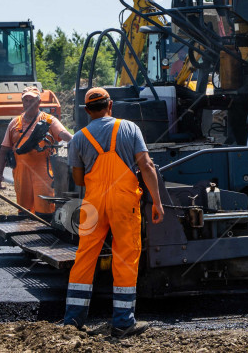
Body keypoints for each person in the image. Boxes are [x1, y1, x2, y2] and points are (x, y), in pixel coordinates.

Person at [63, 87, 164, 337]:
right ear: (111, 106)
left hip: (93, 204)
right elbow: (147, 165)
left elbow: (78, 178)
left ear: (87, 111)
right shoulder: (129, 129)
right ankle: (122, 322)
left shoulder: (78, 138)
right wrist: (157, 202)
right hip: (124, 203)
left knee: (85, 256)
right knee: (126, 257)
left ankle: (73, 321)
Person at [0, 86, 72, 213]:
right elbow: (4, 150)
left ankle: (44, 232)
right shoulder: (14, 123)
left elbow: (64, 134)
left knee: (45, 208)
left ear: (39, 102)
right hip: (21, 174)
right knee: (23, 210)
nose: (28, 103)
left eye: (31, 100)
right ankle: (24, 231)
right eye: (25, 100)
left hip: (43, 173)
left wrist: (77, 140)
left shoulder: (49, 121)